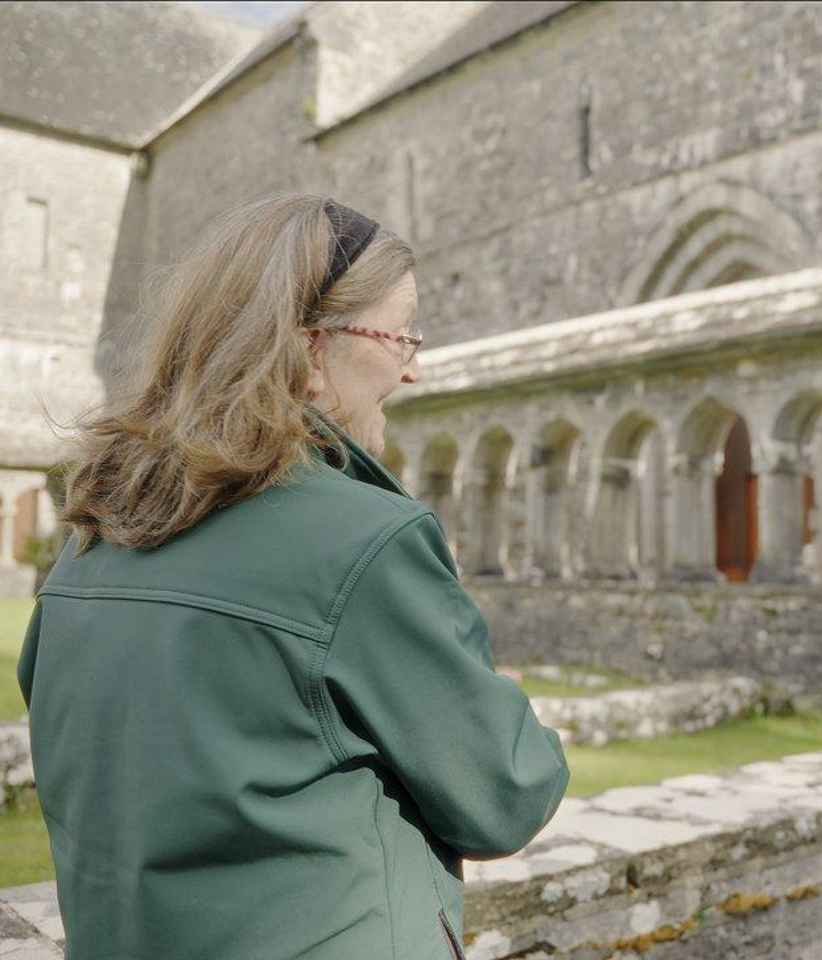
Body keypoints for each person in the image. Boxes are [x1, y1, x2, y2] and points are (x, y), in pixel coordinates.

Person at [17, 195, 569, 959]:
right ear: (310, 350)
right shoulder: (365, 539)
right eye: (399, 335)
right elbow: (505, 795)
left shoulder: (92, 538)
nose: (413, 368)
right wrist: (514, 711)